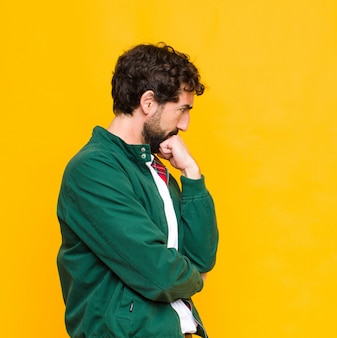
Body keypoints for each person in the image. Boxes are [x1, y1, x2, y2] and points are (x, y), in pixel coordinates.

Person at [56, 43, 219, 338]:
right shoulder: (93, 170)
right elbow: (158, 274)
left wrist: (192, 175)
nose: (185, 125)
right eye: (181, 109)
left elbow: (201, 257)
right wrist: (196, 279)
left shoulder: (155, 170)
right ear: (148, 102)